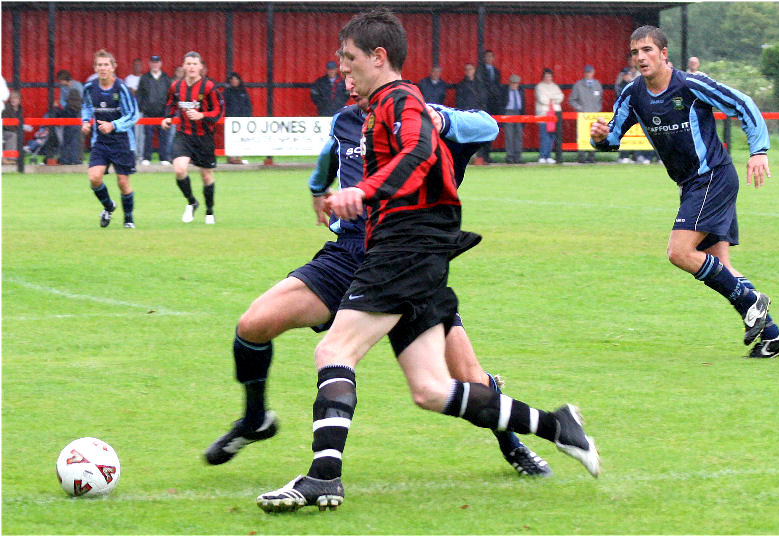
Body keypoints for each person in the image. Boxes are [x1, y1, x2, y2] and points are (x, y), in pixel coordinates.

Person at [256, 9, 600, 513]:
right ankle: (557, 426)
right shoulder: (375, 110)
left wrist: (365, 191)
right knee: (433, 389)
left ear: (378, 58)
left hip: (406, 247)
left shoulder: (401, 100)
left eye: (349, 60)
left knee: (334, 349)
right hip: (412, 249)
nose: (343, 70)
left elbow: (418, 153)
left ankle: (323, 477)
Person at [204, 73, 553, 481]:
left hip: (404, 260)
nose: (350, 85)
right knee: (253, 324)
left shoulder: (420, 117)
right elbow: (330, 155)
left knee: (466, 380)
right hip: (348, 255)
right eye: (344, 76)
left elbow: (488, 125)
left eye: (356, 74)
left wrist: (440, 120)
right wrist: (318, 188)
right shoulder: (347, 121)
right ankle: (255, 419)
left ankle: (512, 442)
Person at [590, 25, 779, 359]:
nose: (640, 58)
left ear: (664, 53)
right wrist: (598, 137)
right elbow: (610, 140)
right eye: (635, 52)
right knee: (719, 265)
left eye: (648, 50)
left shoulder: (690, 85)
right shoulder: (632, 94)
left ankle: (752, 302)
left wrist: (758, 151)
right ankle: (772, 335)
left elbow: (743, 104)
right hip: (692, 186)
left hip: (712, 178)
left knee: (679, 252)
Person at [161, 51, 224, 225]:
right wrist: (167, 117)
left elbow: (218, 111)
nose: (191, 67)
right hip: (184, 135)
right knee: (180, 169)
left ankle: (209, 212)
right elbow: (170, 104)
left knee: (206, 176)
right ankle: (191, 202)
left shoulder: (209, 87)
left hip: (204, 137)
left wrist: (201, 115)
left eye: (194, 64)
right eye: (188, 63)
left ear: (201, 67)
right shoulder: (176, 86)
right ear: (183, 66)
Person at [80, 49, 139, 229]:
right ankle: (108, 206)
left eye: (106, 64)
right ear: (95, 67)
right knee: (94, 178)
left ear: (114, 67)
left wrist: (113, 125)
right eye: (99, 65)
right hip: (101, 141)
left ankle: (128, 219)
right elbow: (87, 108)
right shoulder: (89, 88)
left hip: (122, 141)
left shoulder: (121, 88)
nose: (103, 68)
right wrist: (85, 122)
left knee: (123, 182)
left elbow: (133, 115)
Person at [137, 55, 173, 166]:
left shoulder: (166, 78)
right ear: (150, 64)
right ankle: (147, 157)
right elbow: (140, 95)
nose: (155, 64)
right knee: (147, 135)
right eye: (153, 62)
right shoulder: (144, 78)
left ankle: (164, 158)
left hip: (163, 112)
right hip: (148, 113)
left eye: (157, 62)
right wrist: (141, 107)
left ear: (160, 64)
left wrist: (169, 111)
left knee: (164, 136)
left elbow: (170, 96)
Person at [569, 64, 603, 163]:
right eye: (587, 72)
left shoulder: (597, 84)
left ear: (593, 73)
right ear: (584, 74)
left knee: (595, 136)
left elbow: (600, 100)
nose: (589, 74)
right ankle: (582, 157)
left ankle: (591, 157)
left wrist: (597, 109)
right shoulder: (578, 85)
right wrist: (580, 108)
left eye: (590, 72)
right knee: (582, 136)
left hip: (594, 115)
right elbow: (572, 100)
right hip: (583, 116)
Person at [476, 50, 502, 163]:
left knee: (491, 129)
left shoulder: (496, 71)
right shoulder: (480, 71)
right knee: (482, 130)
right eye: (487, 57)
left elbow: (496, 88)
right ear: (484, 58)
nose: (489, 59)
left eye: (491, 56)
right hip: (483, 104)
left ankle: (487, 154)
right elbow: (482, 87)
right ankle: (481, 155)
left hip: (493, 104)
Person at [534, 68, 563, 164]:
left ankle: (549, 156)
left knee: (552, 136)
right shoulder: (539, 87)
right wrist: (553, 99)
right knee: (544, 136)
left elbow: (561, 97)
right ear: (543, 77)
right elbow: (542, 99)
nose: (548, 78)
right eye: (546, 76)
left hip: (554, 115)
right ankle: (542, 156)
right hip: (543, 115)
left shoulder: (555, 86)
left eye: (550, 76)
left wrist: (550, 98)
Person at [223, 72, 252, 165]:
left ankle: (238, 158)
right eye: (232, 79)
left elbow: (248, 105)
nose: (234, 81)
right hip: (230, 119)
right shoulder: (227, 92)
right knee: (230, 138)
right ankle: (230, 158)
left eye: (236, 79)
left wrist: (248, 116)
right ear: (230, 81)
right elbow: (224, 105)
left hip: (242, 119)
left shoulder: (243, 91)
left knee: (240, 138)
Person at [124, 58, 145, 163]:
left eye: (139, 65)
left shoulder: (144, 78)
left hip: (141, 109)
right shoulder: (129, 78)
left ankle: (141, 155)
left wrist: (136, 91)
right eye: (135, 65)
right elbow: (129, 93)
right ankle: (133, 154)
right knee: (131, 133)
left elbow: (141, 93)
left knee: (141, 134)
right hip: (130, 110)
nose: (137, 67)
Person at [501, 74, 525, 164]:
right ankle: (510, 157)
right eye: (513, 83)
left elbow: (523, 104)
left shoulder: (521, 91)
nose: (515, 85)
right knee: (509, 135)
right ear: (510, 83)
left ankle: (518, 157)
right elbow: (502, 103)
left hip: (518, 113)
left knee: (518, 135)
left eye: (516, 83)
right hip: (508, 112)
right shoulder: (505, 91)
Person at [58, 89, 84, 164]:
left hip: (68, 126)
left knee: (67, 143)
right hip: (79, 126)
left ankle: (65, 160)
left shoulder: (68, 105)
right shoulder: (81, 104)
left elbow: (63, 114)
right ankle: (76, 159)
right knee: (77, 143)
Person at [2, 90, 24, 165]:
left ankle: (18, 157)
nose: (13, 100)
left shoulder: (20, 109)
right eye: (12, 98)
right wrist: (17, 128)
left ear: (19, 100)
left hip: (15, 130)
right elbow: (6, 124)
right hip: (4, 131)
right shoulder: (6, 108)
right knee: (13, 135)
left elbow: (20, 121)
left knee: (20, 135)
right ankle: (10, 158)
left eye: (15, 98)